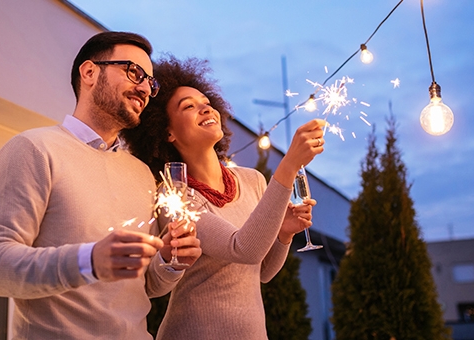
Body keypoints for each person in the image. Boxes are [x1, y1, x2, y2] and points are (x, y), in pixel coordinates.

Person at [0, 32, 201, 339]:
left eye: (151, 81)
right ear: (90, 72)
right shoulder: (33, 149)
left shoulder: (142, 173)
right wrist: (88, 261)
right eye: (135, 72)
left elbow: (145, 287)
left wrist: (169, 262)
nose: (146, 88)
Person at [121, 55, 327, 339]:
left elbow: (262, 271)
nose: (205, 108)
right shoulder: (174, 195)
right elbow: (242, 248)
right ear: (167, 132)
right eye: (189, 106)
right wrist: (289, 164)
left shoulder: (252, 180)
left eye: (206, 102)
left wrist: (284, 235)